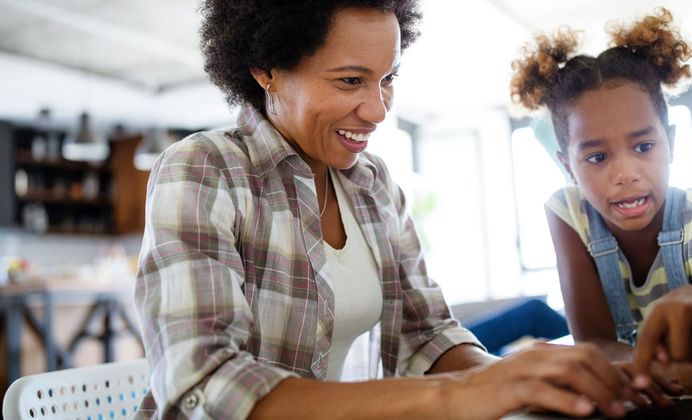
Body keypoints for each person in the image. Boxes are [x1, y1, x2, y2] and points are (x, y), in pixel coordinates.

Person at [134, 1, 643, 419]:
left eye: (387, 78)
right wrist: (458, 397)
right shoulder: (205, 169)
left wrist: (522, 381)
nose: (378, 110)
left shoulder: (372, 184)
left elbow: (426, 336)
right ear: (266, 70)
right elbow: (205, 382)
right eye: (350, 81)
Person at [509, 7, 692, 393]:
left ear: (670, 143)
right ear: (567, 166)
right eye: (597, 157)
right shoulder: (568, 214)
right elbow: (594, 343)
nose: (625, 173)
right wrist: (656, 370)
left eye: (643, 146)